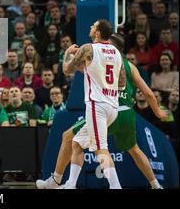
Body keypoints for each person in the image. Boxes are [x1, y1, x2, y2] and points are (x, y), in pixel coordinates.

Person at [37, 33, 167, 189]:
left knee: (74, 140)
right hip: (126, 113)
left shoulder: (99, 60)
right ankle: (155, 184)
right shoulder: (130, 66)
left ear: (112, 47)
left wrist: (70, 54)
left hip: (106, 111)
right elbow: (148, 93)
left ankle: (59, 181)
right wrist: (158, 112)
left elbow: (70, 69)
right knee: (134, 149)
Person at [61, 20, 125, 189]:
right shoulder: (116, 52)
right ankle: (70, 184)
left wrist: (67, 53)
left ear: (97, 33)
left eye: (93, 26)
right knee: (77, 143)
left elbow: (67, 70)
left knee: (100, 148)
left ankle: (115, 186)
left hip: (97, 106)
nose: (90, 27)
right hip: (112, 106)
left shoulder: (88, 48)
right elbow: (122, 83)